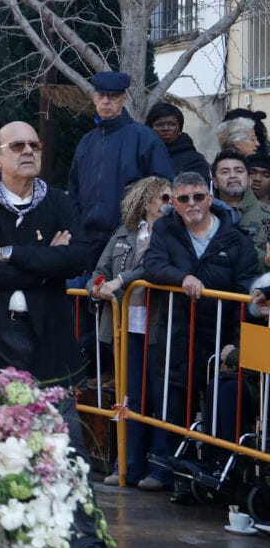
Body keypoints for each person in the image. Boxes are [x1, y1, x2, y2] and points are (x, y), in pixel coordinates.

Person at [0, 120, 104, 548]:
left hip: (50, 344)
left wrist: (13, 253)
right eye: (17, 145)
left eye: (34, 144)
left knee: (67, 447)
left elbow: (77, 257)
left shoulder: (59, 202)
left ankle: (82, 538)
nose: (27, 151)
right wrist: (45, 261)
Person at [143, 171, 260, 475]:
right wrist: (183, 277)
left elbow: (245, 294)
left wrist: (236, 342)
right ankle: (174, 476)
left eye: (198, 197)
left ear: (210, 198)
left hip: (219, 337)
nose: (191, 203)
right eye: (183, 198)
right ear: (176, 203)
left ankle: (216, 470)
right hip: (178, 333)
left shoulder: (236, 240)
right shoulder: (165, 231)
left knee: (218, 405)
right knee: (174, 403)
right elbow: (153, 266)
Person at [89, 176, 173, 489]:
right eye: (164, 197)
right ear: (145, 199)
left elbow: (153, 266)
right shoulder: (123, 233)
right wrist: (95, 288)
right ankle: (126, 465)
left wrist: (122, 279)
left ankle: (160, 468)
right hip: (125, 327)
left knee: (160, 396)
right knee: (129, 396)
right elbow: (100, 271)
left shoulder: (171, 234)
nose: (169, 202)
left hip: (158, 326)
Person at [67, 71, 174, 259]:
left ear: (124, 98)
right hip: (86, 242)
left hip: (130, 241)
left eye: (113, 96)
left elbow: (164, 192)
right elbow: (74, 191)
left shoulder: (145, 139)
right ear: (94, 98)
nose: (106, 101)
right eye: (101, 95)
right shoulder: (86, 142)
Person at [210, 148, 270, 253]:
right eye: (225, 172)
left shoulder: (267, 215)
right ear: (214, 182)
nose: (233, 176)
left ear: (249, 179)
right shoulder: (206, 214)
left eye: (239, 171)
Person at [145, 102, 209, 180]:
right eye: (159, 125)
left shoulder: (194, 159)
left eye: (171, 124)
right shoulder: (143, 156)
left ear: (180, 127)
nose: (166, 128)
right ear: (150, 128)